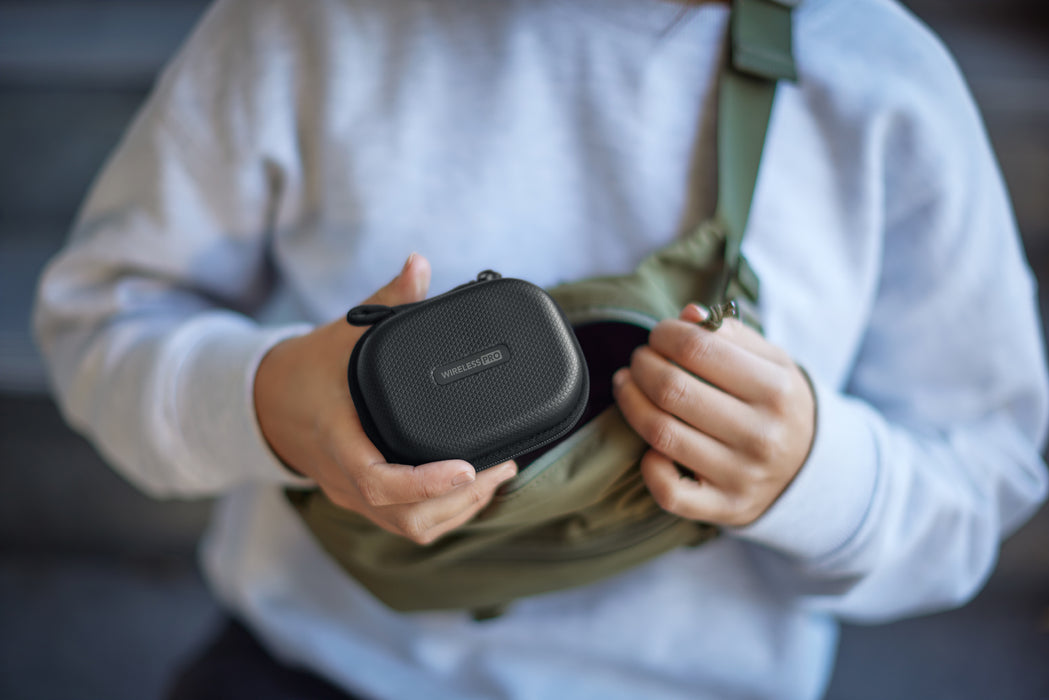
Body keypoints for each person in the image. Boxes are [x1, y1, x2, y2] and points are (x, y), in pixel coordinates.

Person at [31, 0, 1049, 698]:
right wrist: (269, 403)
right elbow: (99, 320)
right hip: (313, 663)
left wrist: (818, 473)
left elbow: (988, 473)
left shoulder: (880, 84)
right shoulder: (304, 25)